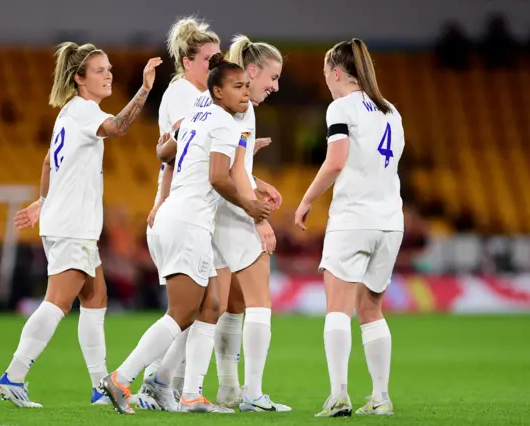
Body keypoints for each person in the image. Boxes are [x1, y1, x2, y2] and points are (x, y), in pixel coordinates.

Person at [0, 41, 162, 408]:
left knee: (96, 297)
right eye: (100, 71)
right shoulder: (85, 110)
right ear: (79, 79)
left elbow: (45, 163)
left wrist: (42, 201)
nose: (109, 75)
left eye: (110, 69)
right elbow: (118, 127)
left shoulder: (69, 112)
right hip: (72, 225)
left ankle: (100, 387)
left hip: (67, 221)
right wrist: (146, 88)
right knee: (57, 302)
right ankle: (14, 375)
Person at [101, 53, 270, 415]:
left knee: (211, 306)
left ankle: (187, 393)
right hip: (189, 221)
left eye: (245, 86)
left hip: (177, 216)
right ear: (218, 92)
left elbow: (165, 150)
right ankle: (121, 379)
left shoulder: (197, 112)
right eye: (238, 87)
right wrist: (250, 206)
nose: (245, 93)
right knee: (180, 313)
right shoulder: (225, 122)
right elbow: (218, 178)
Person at [147, 35, 289, 413]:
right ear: (252, 72)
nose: (273, 87)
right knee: (258, 301)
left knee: (215, 305)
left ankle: (167, 380)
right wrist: (257, 214)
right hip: (226, 207)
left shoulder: (210, 101)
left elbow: (175, 149)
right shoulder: (239, 104)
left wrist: (256, 180)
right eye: (271, 78)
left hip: (209, 213)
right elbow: (228, 172)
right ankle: (251, 394)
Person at [294, 38, 403, 417]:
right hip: (390, 223)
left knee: (338, 309)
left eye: (326, 73)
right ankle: (381, 398)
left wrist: (307, 199)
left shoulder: (340, 107)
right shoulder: (392, 112)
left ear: (337, 72)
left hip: (353, 219)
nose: (325, 81)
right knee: (372, 309)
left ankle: (339, 395)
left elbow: (336, 161)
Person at [135, 18, 221, 409]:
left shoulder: (203, 96)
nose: (216, 64)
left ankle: (165, 382)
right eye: (210, 58)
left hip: (192, 207)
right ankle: (140, 379)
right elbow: (172, 154)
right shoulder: (183, 94)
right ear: (188, 62)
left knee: (202, 307)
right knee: (191, 308)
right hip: (183, 208)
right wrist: (161, 201)